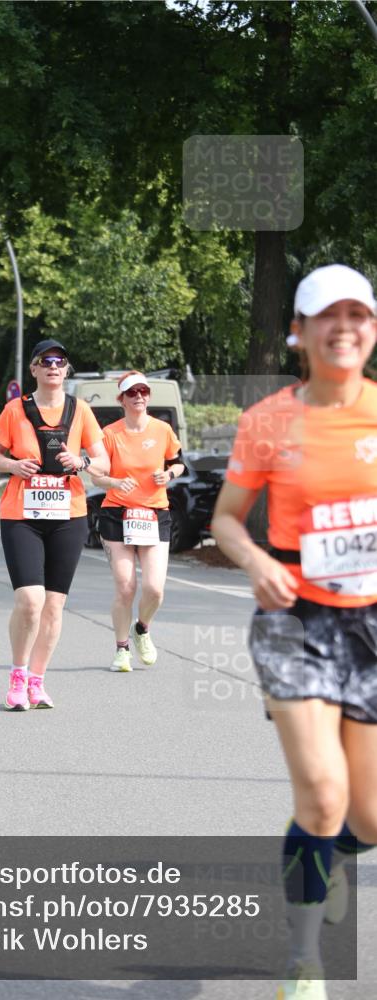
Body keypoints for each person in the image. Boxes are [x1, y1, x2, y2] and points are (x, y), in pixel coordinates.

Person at [211, 264, 377, 1000]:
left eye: (358, 315)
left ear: (371, 329)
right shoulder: (268, 420)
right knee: (319, 793)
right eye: (327, 316)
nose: (344, 328)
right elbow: (222, 518)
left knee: (365, 818)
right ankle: (303, 958)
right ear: (300, 332)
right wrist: (251, 560)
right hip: (294, 622)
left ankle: (334, 851)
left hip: (370, 624)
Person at [0, 339, 109, 711]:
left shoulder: (81, 410)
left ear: (66, 370)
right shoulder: (14, 410)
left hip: (68, 515)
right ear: (34, 369)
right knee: (29, 600)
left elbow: (102, 461)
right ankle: (17, 675)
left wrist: (82, 461)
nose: (54, 366)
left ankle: (37, 682)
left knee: (54, 606)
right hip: (21, 514)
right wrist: (12, 466)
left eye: (60, 361)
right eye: (46, 361)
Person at [89, 371, 185, 672]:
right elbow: (95, 475)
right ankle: (121, 650)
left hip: (154, 513)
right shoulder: (109, 434)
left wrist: (168, 475)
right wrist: (116, 483)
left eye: (143, 391)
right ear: (122, 399)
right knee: (126, 587)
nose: (139, 396)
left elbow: (179, 463)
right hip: (118, 514)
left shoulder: (162, 430)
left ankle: (142, 628)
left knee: (155, 589)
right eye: (132, 393)